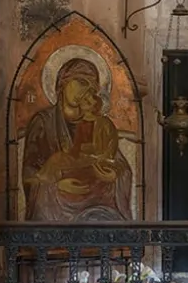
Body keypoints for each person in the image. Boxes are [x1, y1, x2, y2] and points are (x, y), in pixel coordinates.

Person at [21, 58, 133, 222]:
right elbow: (29, 174)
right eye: (81, 82)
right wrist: (56, 186)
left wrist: (113, 173)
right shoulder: (43, 122)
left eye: (91, 88)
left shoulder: (100, 124)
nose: (85, 91)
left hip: (97, 203)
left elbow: (120, 165)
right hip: (56, 204)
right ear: (63, 82)